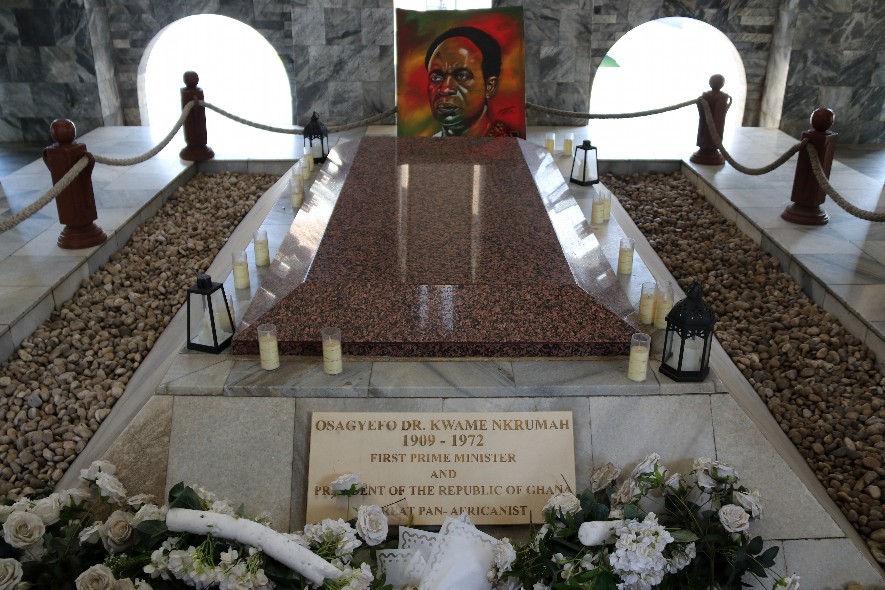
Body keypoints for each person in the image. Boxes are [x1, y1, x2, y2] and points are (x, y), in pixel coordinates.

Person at [425, 26, 519, 137]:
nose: (445, 89)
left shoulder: (507, 142)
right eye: (436, 78)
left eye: (462, 76)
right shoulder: (427, 145)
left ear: (489, 86)